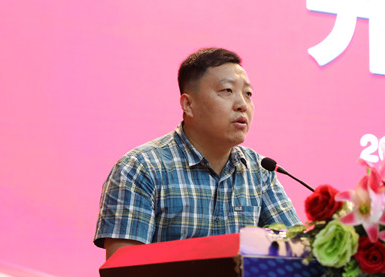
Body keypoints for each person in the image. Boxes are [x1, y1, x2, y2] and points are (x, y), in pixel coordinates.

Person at [94, 47, 301, 260]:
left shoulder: (259, 171)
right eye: (227, 90)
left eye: (248, 94)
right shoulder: (140, 168)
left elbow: (297, 252)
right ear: (188, 104)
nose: (242, 105)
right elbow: (124, 271)